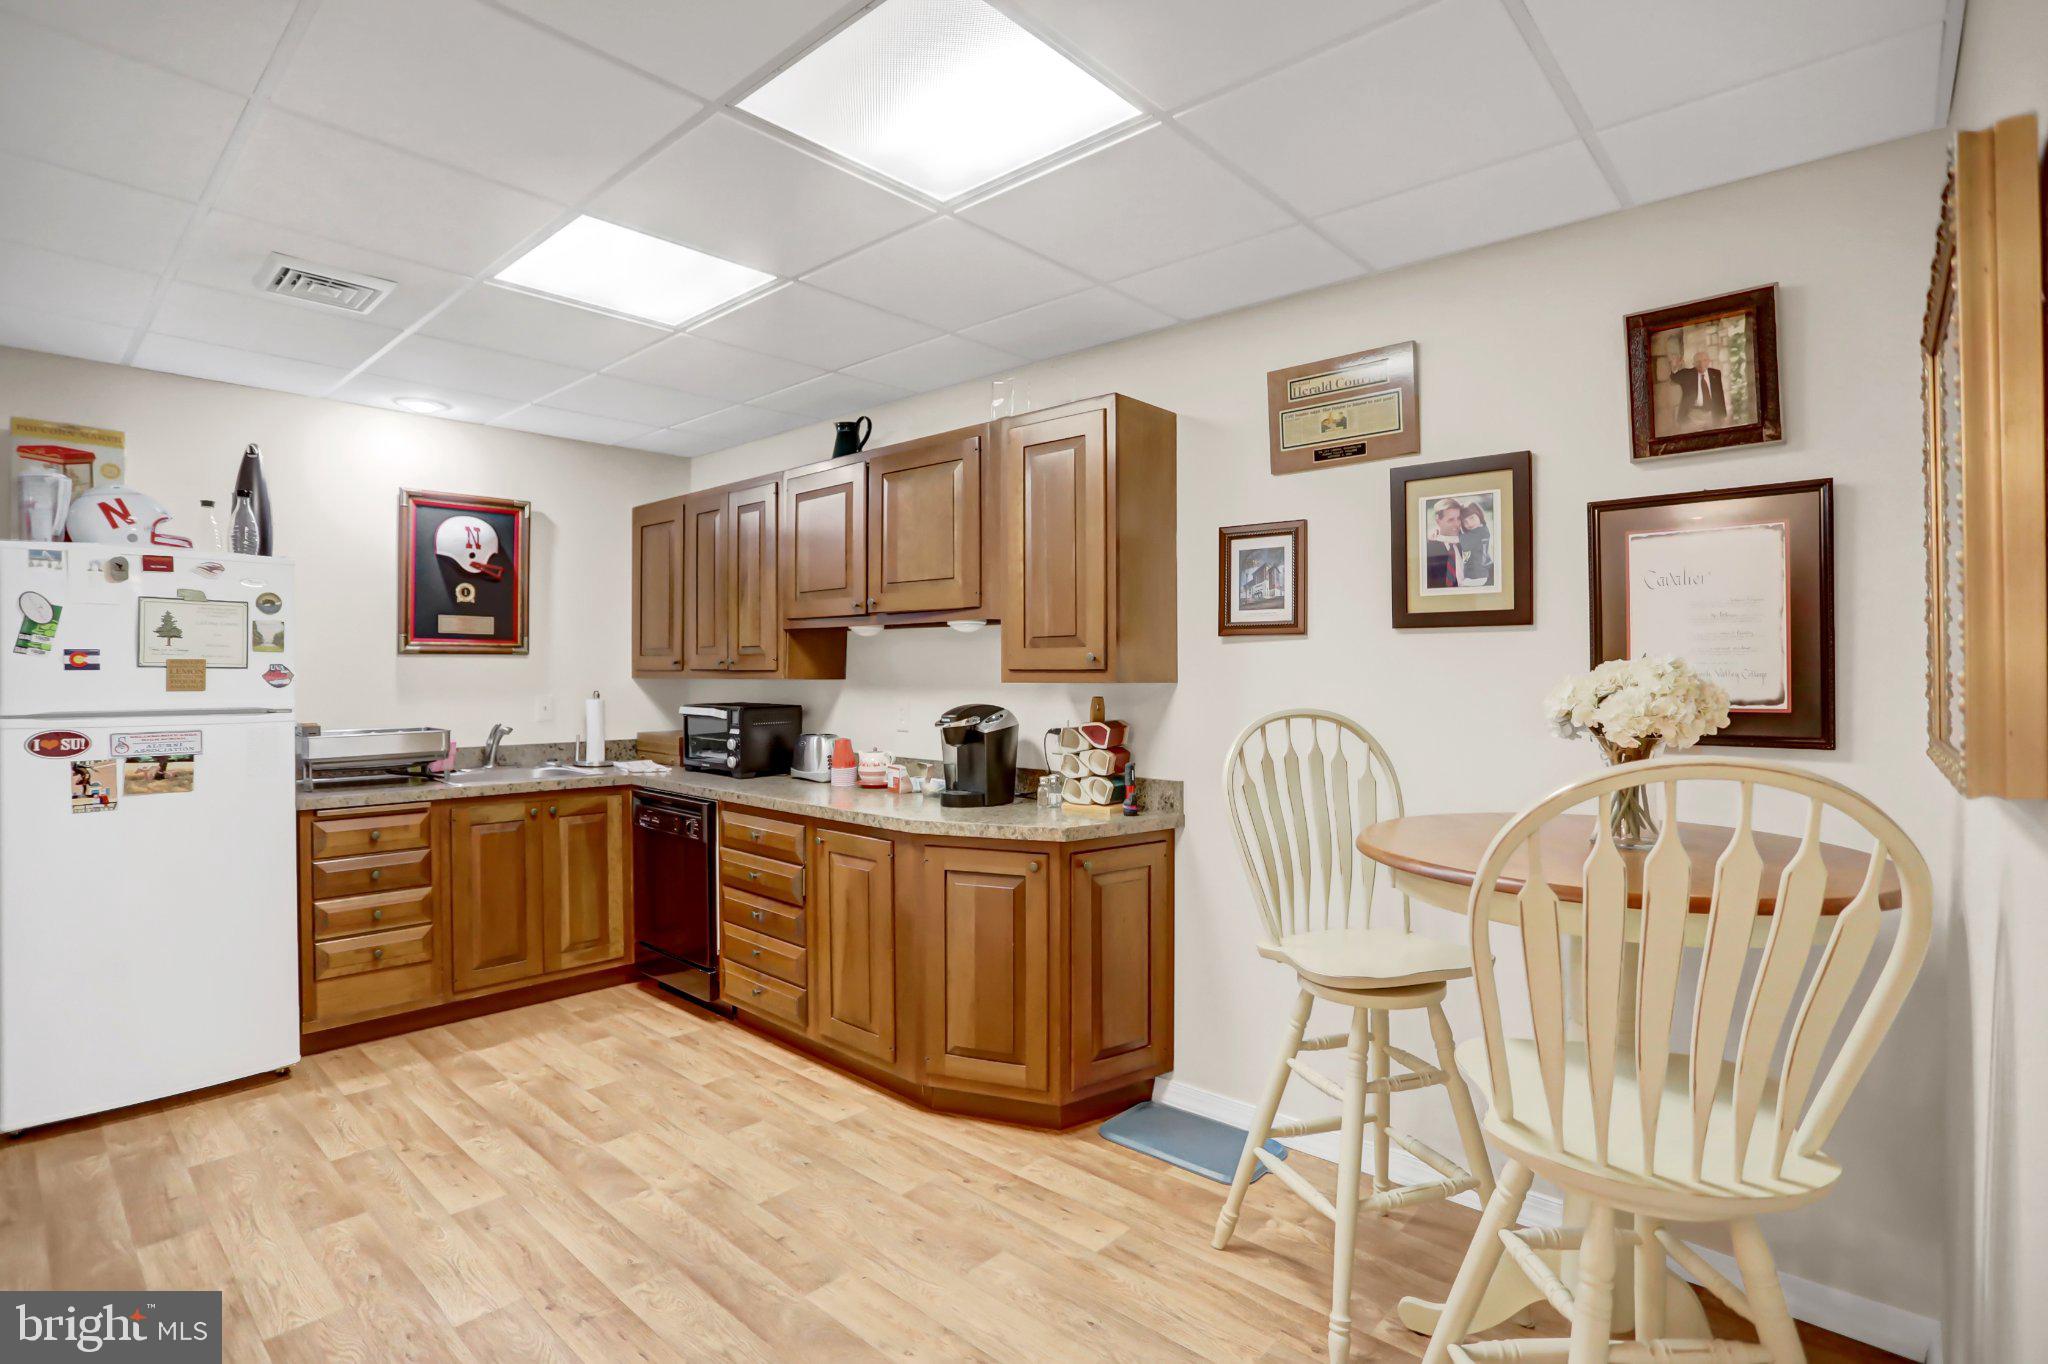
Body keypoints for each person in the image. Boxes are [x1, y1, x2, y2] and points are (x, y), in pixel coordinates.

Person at [1670, 348, 1728, 427]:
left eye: (1704, 360)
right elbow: (1674, 378)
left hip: (1712, 413)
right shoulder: (1687, 374)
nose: (1701, 364)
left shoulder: (1715, 373)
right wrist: (1675, 366)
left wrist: (1722, 415)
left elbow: (1720, 395)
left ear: (1708, 361)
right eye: (1698, 362)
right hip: (1692, 414)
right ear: (1693, 364)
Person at [1425, 500, 1465, 589]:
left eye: (1458, 518)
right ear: (1438, 521)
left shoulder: (1468, 543)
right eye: (1451, 520)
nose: (1457, 524)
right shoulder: (1428, 548)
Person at [1457, 502, 1495, 587]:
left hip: (1477, 576)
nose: (1469, 523)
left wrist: (1438, 537)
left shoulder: (1480, 532)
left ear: (1479, 514)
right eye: (1465, 522)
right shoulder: (1480, 529)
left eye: (1472, 518)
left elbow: (1456, 539)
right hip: (1479, 574)